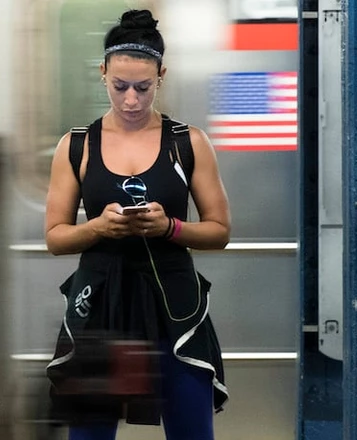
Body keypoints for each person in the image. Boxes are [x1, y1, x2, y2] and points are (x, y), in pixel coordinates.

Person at [41, 9, 231, 440]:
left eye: (143, 88)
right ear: (102, 73)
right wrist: (97, 229)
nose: (131, 100)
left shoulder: (188, 143)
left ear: (161, 76)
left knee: (191, 429)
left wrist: (170, 229)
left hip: (173, 306)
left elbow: (219, 230)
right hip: (101, 304)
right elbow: (55, 237)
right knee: (89, 433)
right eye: (120, 86)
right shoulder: (76, 146)